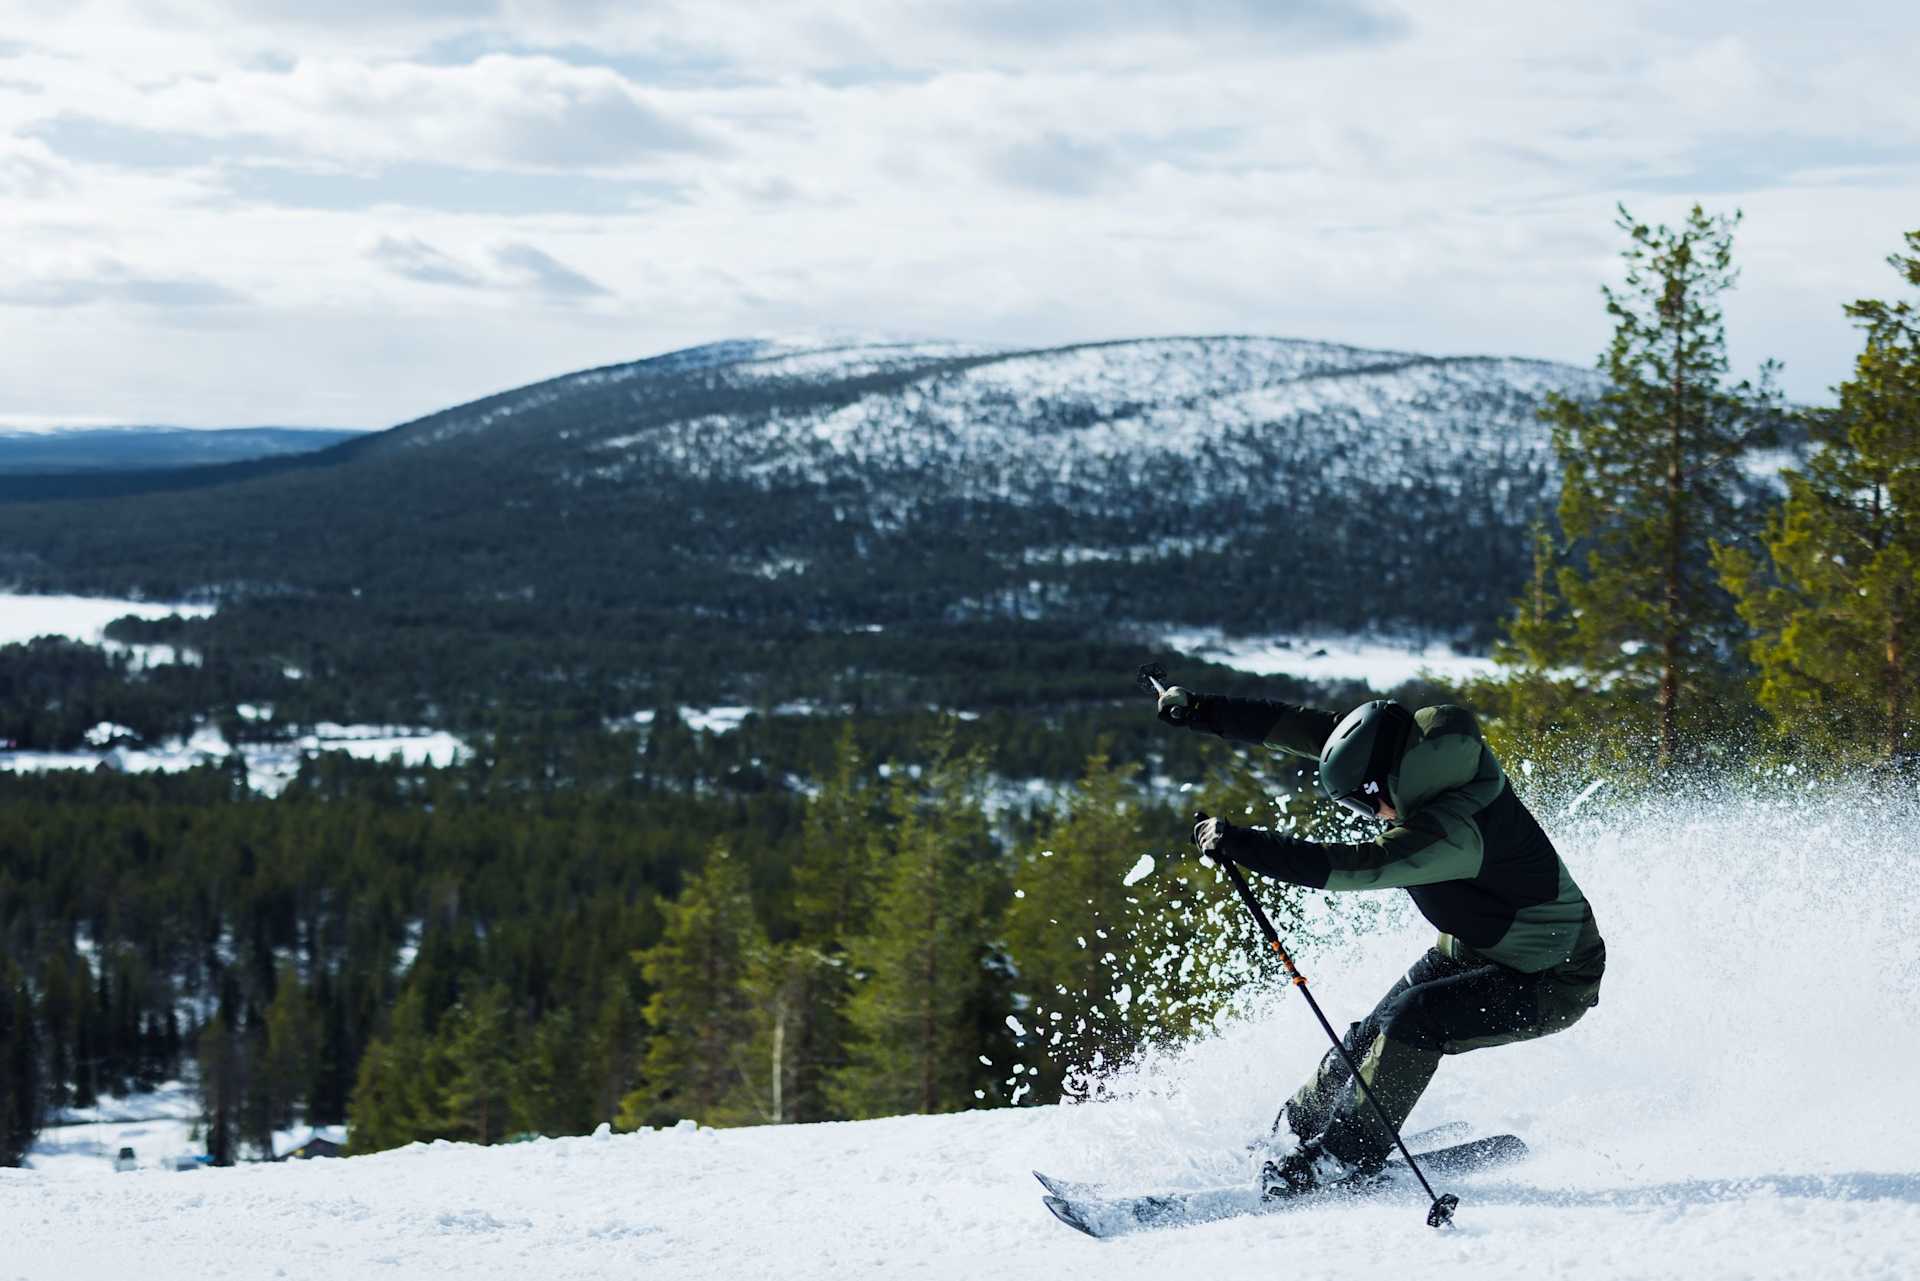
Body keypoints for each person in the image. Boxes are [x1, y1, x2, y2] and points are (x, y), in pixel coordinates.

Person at [1154, 684, 1605, 1197]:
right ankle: (1293, 1130)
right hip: (1473, 950)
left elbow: (1359, 866)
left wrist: (1243, 843)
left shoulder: (1456, 827)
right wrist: (1205, 709)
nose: (1370, 814)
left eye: (1362, 802)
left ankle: (1345, 1154)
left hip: (1552, 979)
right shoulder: (1413, 751)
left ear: (1381, 784)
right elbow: (1313, 731)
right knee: (1371, 1034)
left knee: (1415, 1018)